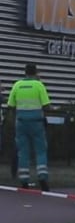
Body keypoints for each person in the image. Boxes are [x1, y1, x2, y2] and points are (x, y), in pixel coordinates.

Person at [6, 63, 52, 191]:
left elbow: (10, 106)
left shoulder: (17, 85)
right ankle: (42, 178)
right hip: (36, 123)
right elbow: (46, 106)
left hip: (21, 122)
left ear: (25, 72)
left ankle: (24, 181)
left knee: (23, 152)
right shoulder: (39, 85)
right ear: (36, 72)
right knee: (41, 150)